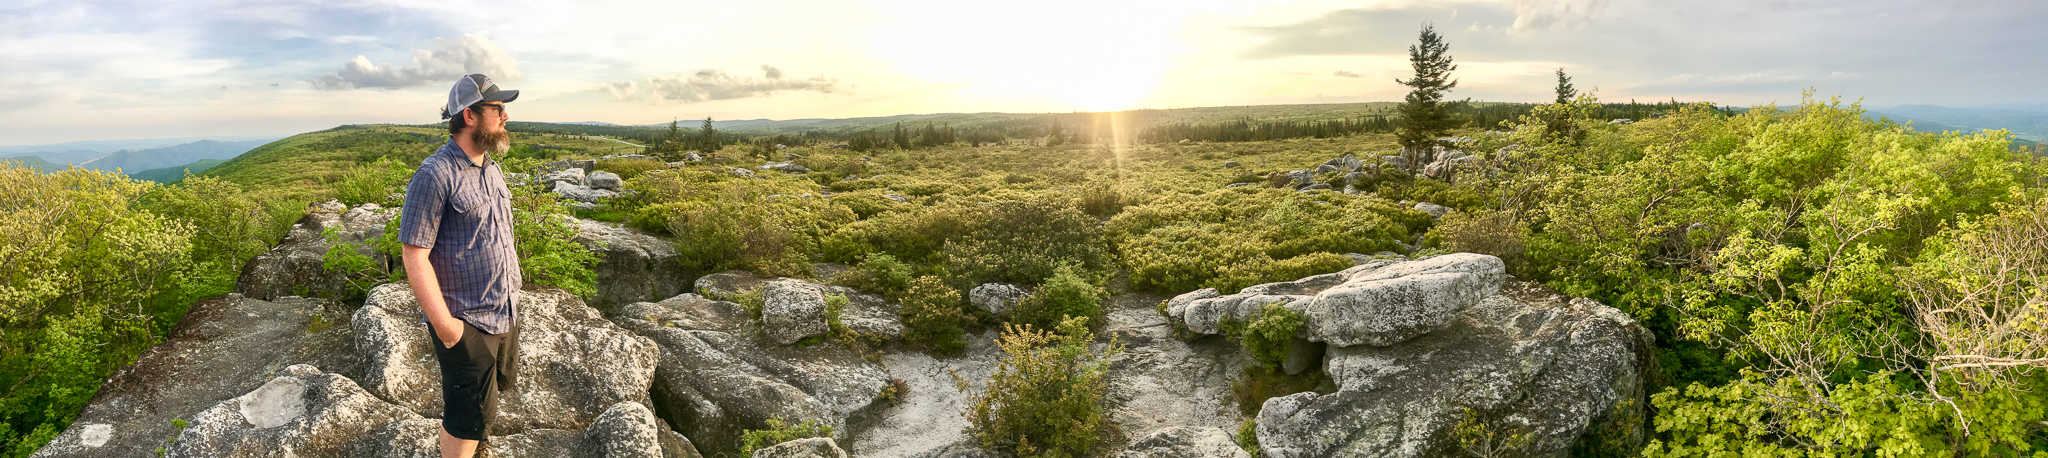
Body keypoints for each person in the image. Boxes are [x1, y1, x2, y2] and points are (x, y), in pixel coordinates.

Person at [397, 73, 523, 458]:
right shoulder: (435, 174)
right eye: (497, 109)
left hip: (504, 313)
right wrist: (448, 329)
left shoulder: (490, 168)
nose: (506, 117)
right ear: (469, 115)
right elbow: (413, 255)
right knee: (464, 416)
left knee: (485, 405)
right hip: (466, 320)